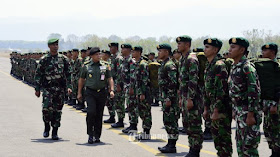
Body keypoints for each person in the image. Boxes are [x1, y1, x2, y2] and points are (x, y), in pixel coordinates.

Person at [228, 37, 262, 157]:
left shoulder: (247, 67)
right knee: (241, 145)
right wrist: (234, 109)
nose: (229, 50)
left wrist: (251, 114)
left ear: (242, 50)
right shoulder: (235, 66)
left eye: (233, 47)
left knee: (249, 147)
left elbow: (254, 92)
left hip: (248, 111)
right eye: (230, 47)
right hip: (239, 111)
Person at [34, 38, 72, 140]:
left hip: (60, 89)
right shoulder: (44, 59)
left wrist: (69, 87)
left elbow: (68, 74)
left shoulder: (63, 59)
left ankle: (55, 132)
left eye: (57, 44)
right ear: (49, 46)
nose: (56, 46)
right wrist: (37, 88)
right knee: (46, 108)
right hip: (48, 88)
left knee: (57, 110)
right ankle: (47, 126)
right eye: (53, 45)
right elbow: (38, 75)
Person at [77, 47, 114, 144]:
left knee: (99, 114)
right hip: (90, 92)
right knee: (91, 112)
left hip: (101, 92)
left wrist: (112, 90)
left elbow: (110, 78)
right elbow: (81, 79)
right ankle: (90, 134)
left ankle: (97, 135)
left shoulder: (105, 65)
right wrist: (79, 93)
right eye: (97, 54)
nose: (99, 56)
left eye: (100, 54)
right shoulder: (86, 66)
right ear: (92, 56)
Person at [203, 38, 233, 156]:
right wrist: (206, 108)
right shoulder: (209, 64)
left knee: (223, 139)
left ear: (215, 50)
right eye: (205, 47)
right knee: (217, 139)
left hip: (221, 109)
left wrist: (216, 110)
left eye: (208, 47)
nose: (205, 49)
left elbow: (222, 90)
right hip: (212, 107)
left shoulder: (219, 65)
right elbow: (207, 89)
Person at [177, 35, 203, 157]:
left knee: (194, 125)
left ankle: (195, 151)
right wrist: (181, 97)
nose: (178, 46)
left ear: (187, 45)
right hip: (185, 96)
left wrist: (190, 99)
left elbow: (193, 80)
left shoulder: (191, 59)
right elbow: (183, 81)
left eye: (180, 44)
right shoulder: (183, 59)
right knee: (187, 124)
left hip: (193, 98)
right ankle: (192, 148)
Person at [157, 44, 180, 153]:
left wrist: (169, 98)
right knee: (167, 121)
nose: (158, 53)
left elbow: (173, 83)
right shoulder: (164, 64)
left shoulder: (169, 65)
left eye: (160, 51)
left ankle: (172, 145)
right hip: (165, 97)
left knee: (171, 121)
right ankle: (170, 143)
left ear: (166, 52)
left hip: (170, 98)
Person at [259, 43, 280, 157]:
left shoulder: (277, 66)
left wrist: (276, 103)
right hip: (267, 102)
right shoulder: (265, 67)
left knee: (276, 128)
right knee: (267, 128)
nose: (263, 53)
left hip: (275, 103)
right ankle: (274, 151)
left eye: (265, 51)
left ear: (272, 52)